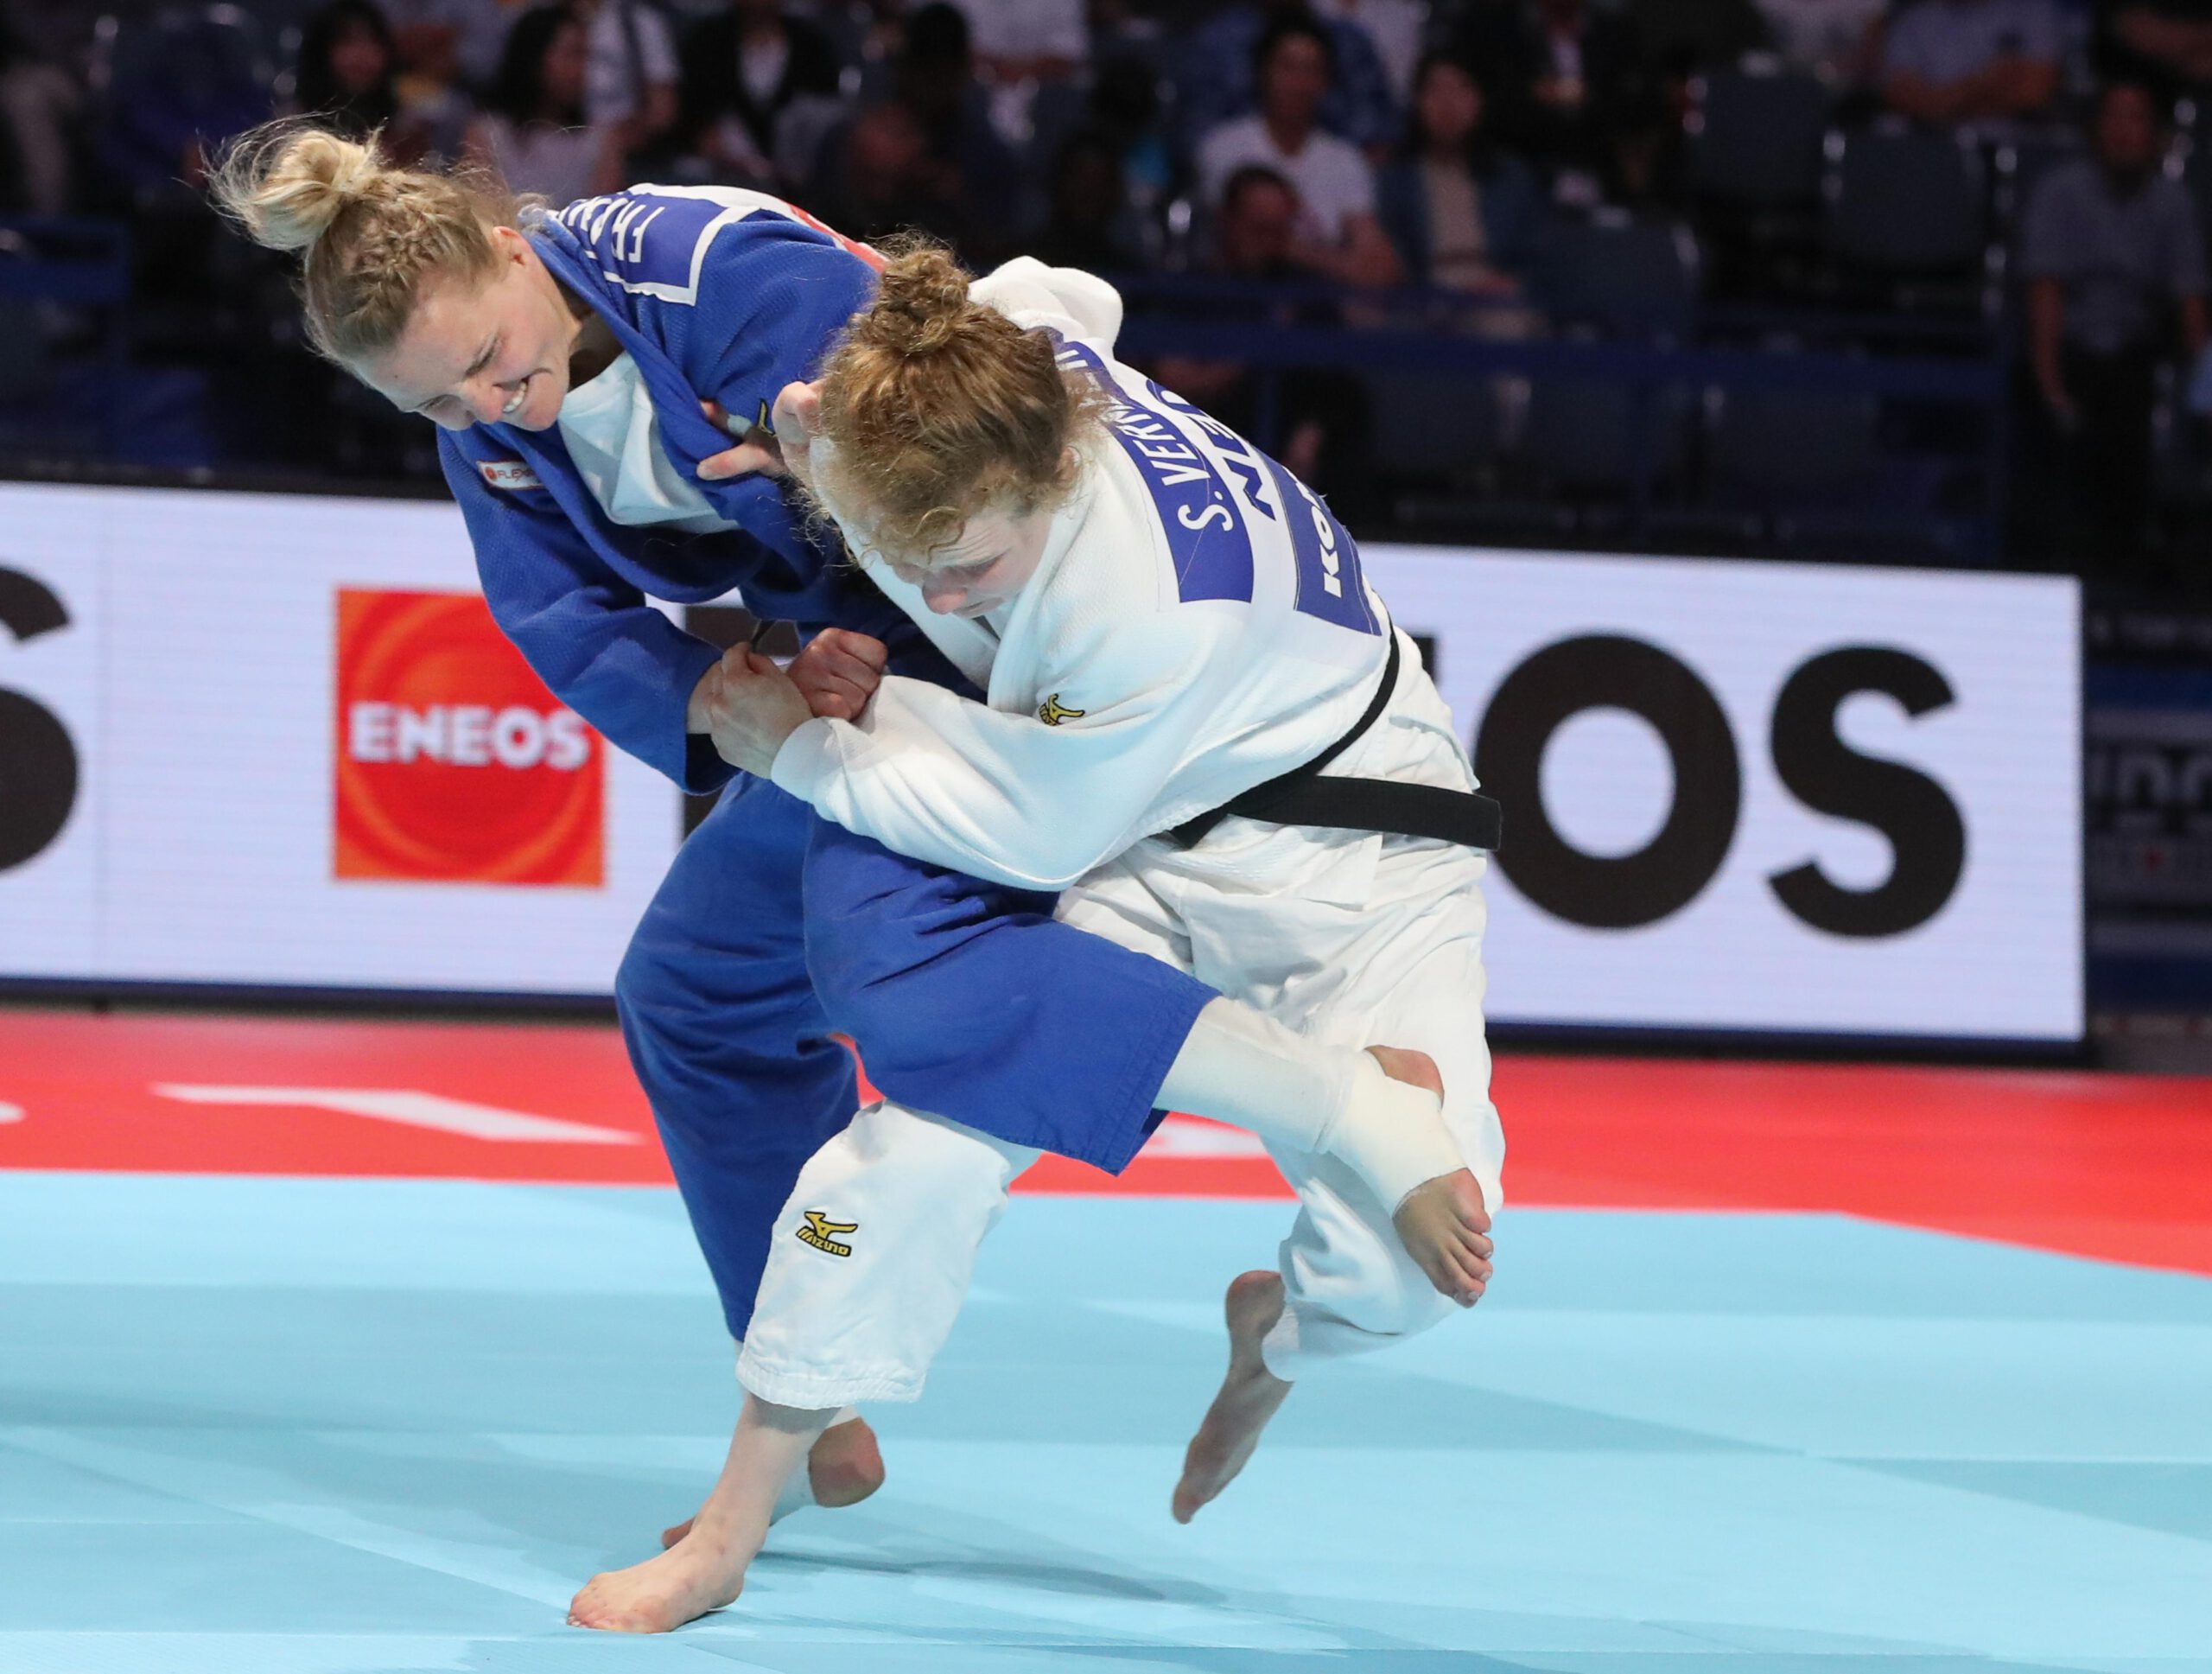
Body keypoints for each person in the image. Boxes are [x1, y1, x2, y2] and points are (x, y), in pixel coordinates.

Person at [208, 123, 1491, 1559]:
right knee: (692, 992)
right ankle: (808, 1392)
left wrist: (830, 660)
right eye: (437, 403)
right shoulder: (486, 424)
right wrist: (714, 694)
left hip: (967, 628)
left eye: (494, 364)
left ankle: (1326, 1106)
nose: (490, 408)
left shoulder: (714, 266)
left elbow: (926, 473)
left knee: (895, 958)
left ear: (516, 247)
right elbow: (560, 616)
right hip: (847, 671)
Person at [564, 247, 1506, 1634]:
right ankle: (729, 1529)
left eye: (972, 568)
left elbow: (1026, 836)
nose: (941, 601)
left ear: (1056, 476)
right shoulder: (1002, 364)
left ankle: (1280, 1333)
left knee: (1412, 1276)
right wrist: (806, 436)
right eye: (917, 560)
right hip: (1143, 826)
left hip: (1355, 846)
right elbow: (1066, 289)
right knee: (916, 1150)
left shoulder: (1140, 607)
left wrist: (797, 749)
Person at [2021, 80, 2208, 569]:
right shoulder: (2059, 192)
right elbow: (2045, 296)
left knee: (2145, 409)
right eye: (2115, 118)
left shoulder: (2173, 203)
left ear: (2157, 135)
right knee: (2051, 416)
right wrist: (2052, 388)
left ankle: (2137, 561)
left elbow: (2190, 306)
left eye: (2138, 119)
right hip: (2069, 350)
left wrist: (2204, 395)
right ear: (2095, 129)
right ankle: (2047, 559)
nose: (2125, 132)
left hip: (2137, 358)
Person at [1195, 14, 1404, 287]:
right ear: (1262, 72)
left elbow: (1380, 270)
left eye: (1311, 70)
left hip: (1320, 303)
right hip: (1236, 298)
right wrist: (1334, 260)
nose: (1299, 83)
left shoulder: (1345, 160)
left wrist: (1289, 248)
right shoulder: (1223, 148)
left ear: (1326, 82)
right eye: (1288, 67)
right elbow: (1231, 249)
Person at [1376, 51, 1544, 297]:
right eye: (1435, 90)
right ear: (1417, 102)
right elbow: (1390, 261)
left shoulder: (1511, 176)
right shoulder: (1396, 178)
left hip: (1496, 294)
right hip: (1425, 298)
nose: (1448, 104)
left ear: (1480, 101)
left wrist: (1510, 282)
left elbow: (1536, 255)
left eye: (1460, 89)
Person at [466, 4, 625, 208]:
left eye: (587, 56)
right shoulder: (486, 135)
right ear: (534, 56)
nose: (583, 69)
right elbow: (480, 214)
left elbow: (601, 218)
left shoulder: (601, 140)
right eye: (573, 54)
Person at [673, 0, 842, 187]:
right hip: (718, 173)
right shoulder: (707, 40)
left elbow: (825, 113)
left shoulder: (811, 44)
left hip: (795, 175)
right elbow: (693, 114)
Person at [1878, 0, 2063, 127]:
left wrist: (1939, 100)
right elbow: (1906, 100)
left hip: (2019, 145)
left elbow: (2033, 93)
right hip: (1931, 145)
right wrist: (1983, 82)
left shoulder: (2029, 9)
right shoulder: (1913, 19)